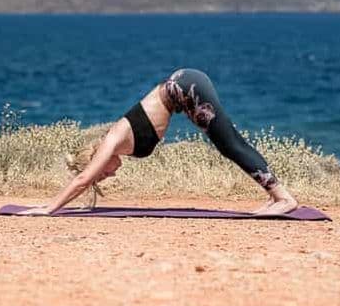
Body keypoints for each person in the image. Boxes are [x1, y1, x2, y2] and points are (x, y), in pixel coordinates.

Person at [19, 68, 298, 216]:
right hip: (182, 90)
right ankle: (276, 197)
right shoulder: (116, 143)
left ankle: (284, 198)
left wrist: (48, 208)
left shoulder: (111, 141)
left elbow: (81, 181)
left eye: (102, 173)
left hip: (185, 86)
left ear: (95, 161)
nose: (110, 173)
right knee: (229, 144)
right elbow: (86, 181)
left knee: (230, 144)